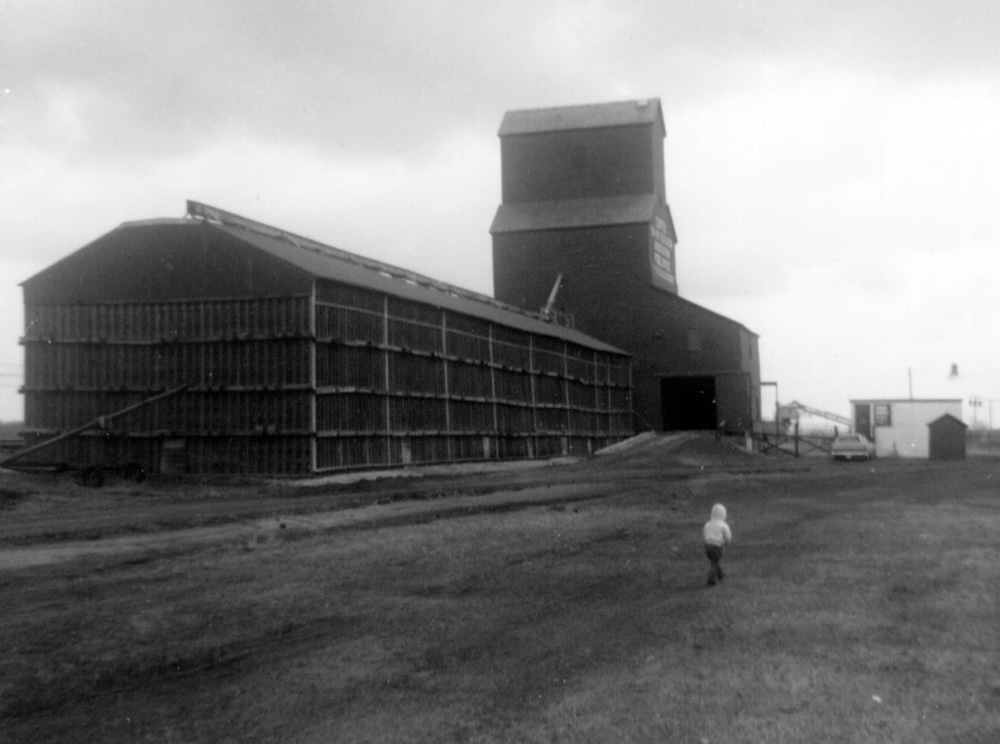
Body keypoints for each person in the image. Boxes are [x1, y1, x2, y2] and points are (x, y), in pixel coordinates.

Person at [703, 503, 732, 586]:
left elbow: (705, 533)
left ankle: (720, 574)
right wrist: (726, 543)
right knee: (715, 562)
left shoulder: (708, 524)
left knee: (715, 561)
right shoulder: (723, 525)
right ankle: (711, 579)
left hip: (708, 546)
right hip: (717, 546)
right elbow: (727, 536)